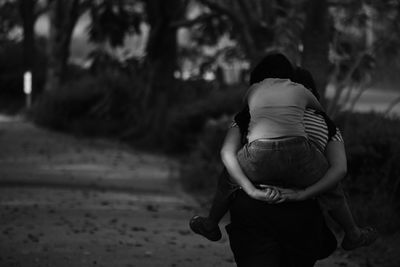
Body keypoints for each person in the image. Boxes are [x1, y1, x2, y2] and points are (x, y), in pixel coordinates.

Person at [190, 55, 377, 250]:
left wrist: (250, 189)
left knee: (228, 176)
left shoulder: (248, 109)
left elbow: (226, 152)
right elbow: (339, 169)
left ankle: (211, 223)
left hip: (258, 159)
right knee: (332, 186)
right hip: (301, 160)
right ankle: (352, 232)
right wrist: (304, 194)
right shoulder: (327, 123)